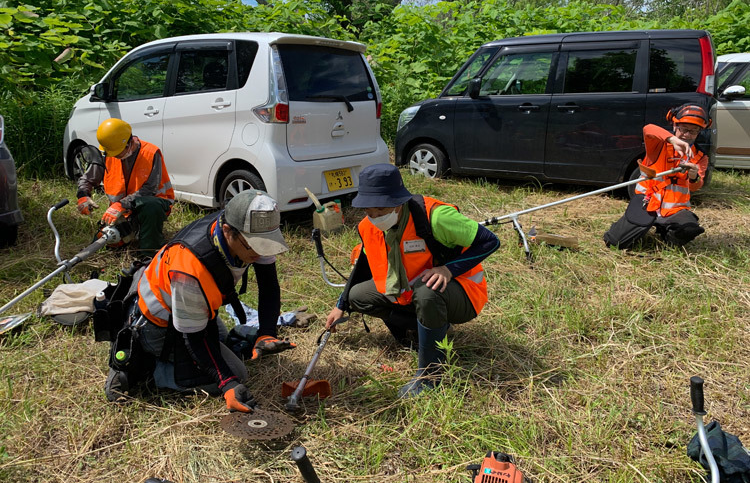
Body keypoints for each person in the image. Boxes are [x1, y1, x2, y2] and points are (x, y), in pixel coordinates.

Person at [105, 190, 296, 412]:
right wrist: (227, 384)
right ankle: (142, 365)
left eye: (267, 243)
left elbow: (269, 287)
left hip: (196, 310)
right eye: (254, 245)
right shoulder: (189, 269)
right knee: (236, 374)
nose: (261, 252)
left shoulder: (244, 228)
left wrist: (266, 332)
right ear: (228, 231)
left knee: (225, 345)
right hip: (157, 324)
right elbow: (194, 337)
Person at [324, 164, 500, 398]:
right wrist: (341, 305)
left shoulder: (435, 217)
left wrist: (448, 270)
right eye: (369, 211)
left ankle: (430, 376)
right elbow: (364, 266)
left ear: (398, 202)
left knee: (428, 292)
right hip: (410, 292)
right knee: (359, 296)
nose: (375, 217)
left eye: (381, 209)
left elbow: (490, 241)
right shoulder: (368, 227)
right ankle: (423, 333)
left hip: (462, 293)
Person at [603, 104, 710, 249]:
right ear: (674, 126)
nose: (687, 135)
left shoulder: (700, 157)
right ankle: (629, 226)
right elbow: (648, 129)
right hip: (647, 201)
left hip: (674, 208)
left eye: (693, 131)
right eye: (683, 129)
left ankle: (666, 232)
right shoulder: (659, 145)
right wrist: (672, 140)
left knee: (689, 229)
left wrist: (693, 176)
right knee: (615, 242)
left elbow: (696, 186)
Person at [76, 118, 174, 255]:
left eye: (117, 153)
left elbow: (149, 189)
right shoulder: (109, 152)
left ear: (129, 143)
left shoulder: (151, 153)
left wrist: (121, 204)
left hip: (154, 205)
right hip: (124, 211)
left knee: (150, 207)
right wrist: (83, 196)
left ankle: (149, 253)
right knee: (106, 240)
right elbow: (87, 178)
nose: (114, 157)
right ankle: (130, 232)